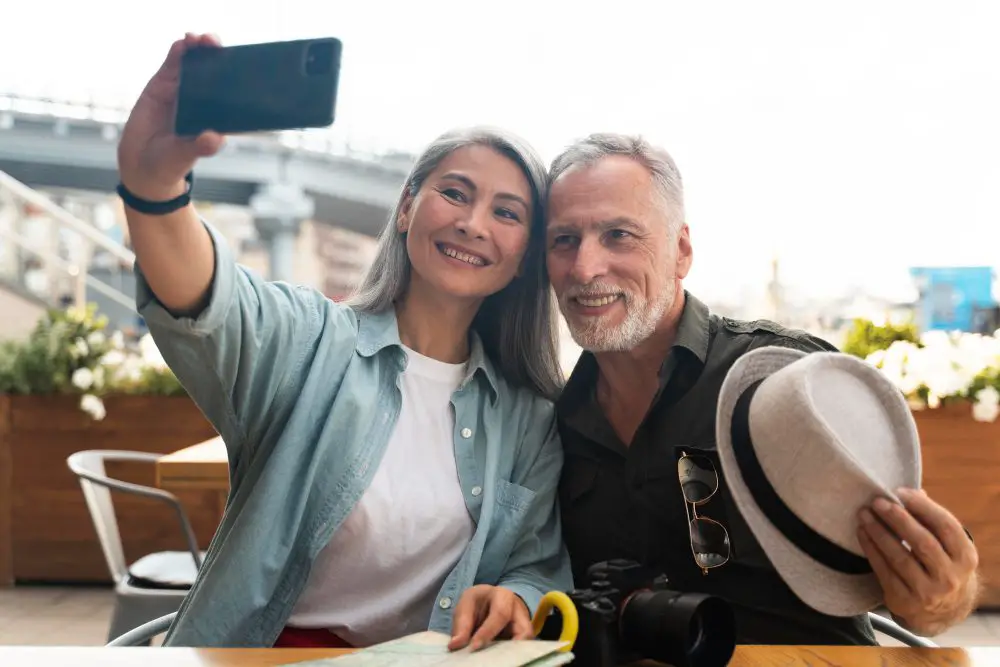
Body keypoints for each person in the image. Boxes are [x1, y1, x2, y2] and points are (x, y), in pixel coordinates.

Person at [116, 32, 572, 648]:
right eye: (455, 193)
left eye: (508, 213)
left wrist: (514, 596)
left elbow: (535, 565)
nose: (472, 222)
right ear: (407, 207)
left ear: (522, 260)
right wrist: (154, 182)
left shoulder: (531, 417)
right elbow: (208, 300)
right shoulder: (308, 340)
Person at [452, 132, 981, 647]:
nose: (586, 268)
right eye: (564, 241)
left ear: (681, 251)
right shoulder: (554, 424)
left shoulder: (781, 380)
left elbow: (925, 574)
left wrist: (941, 599)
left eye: (619, 235)